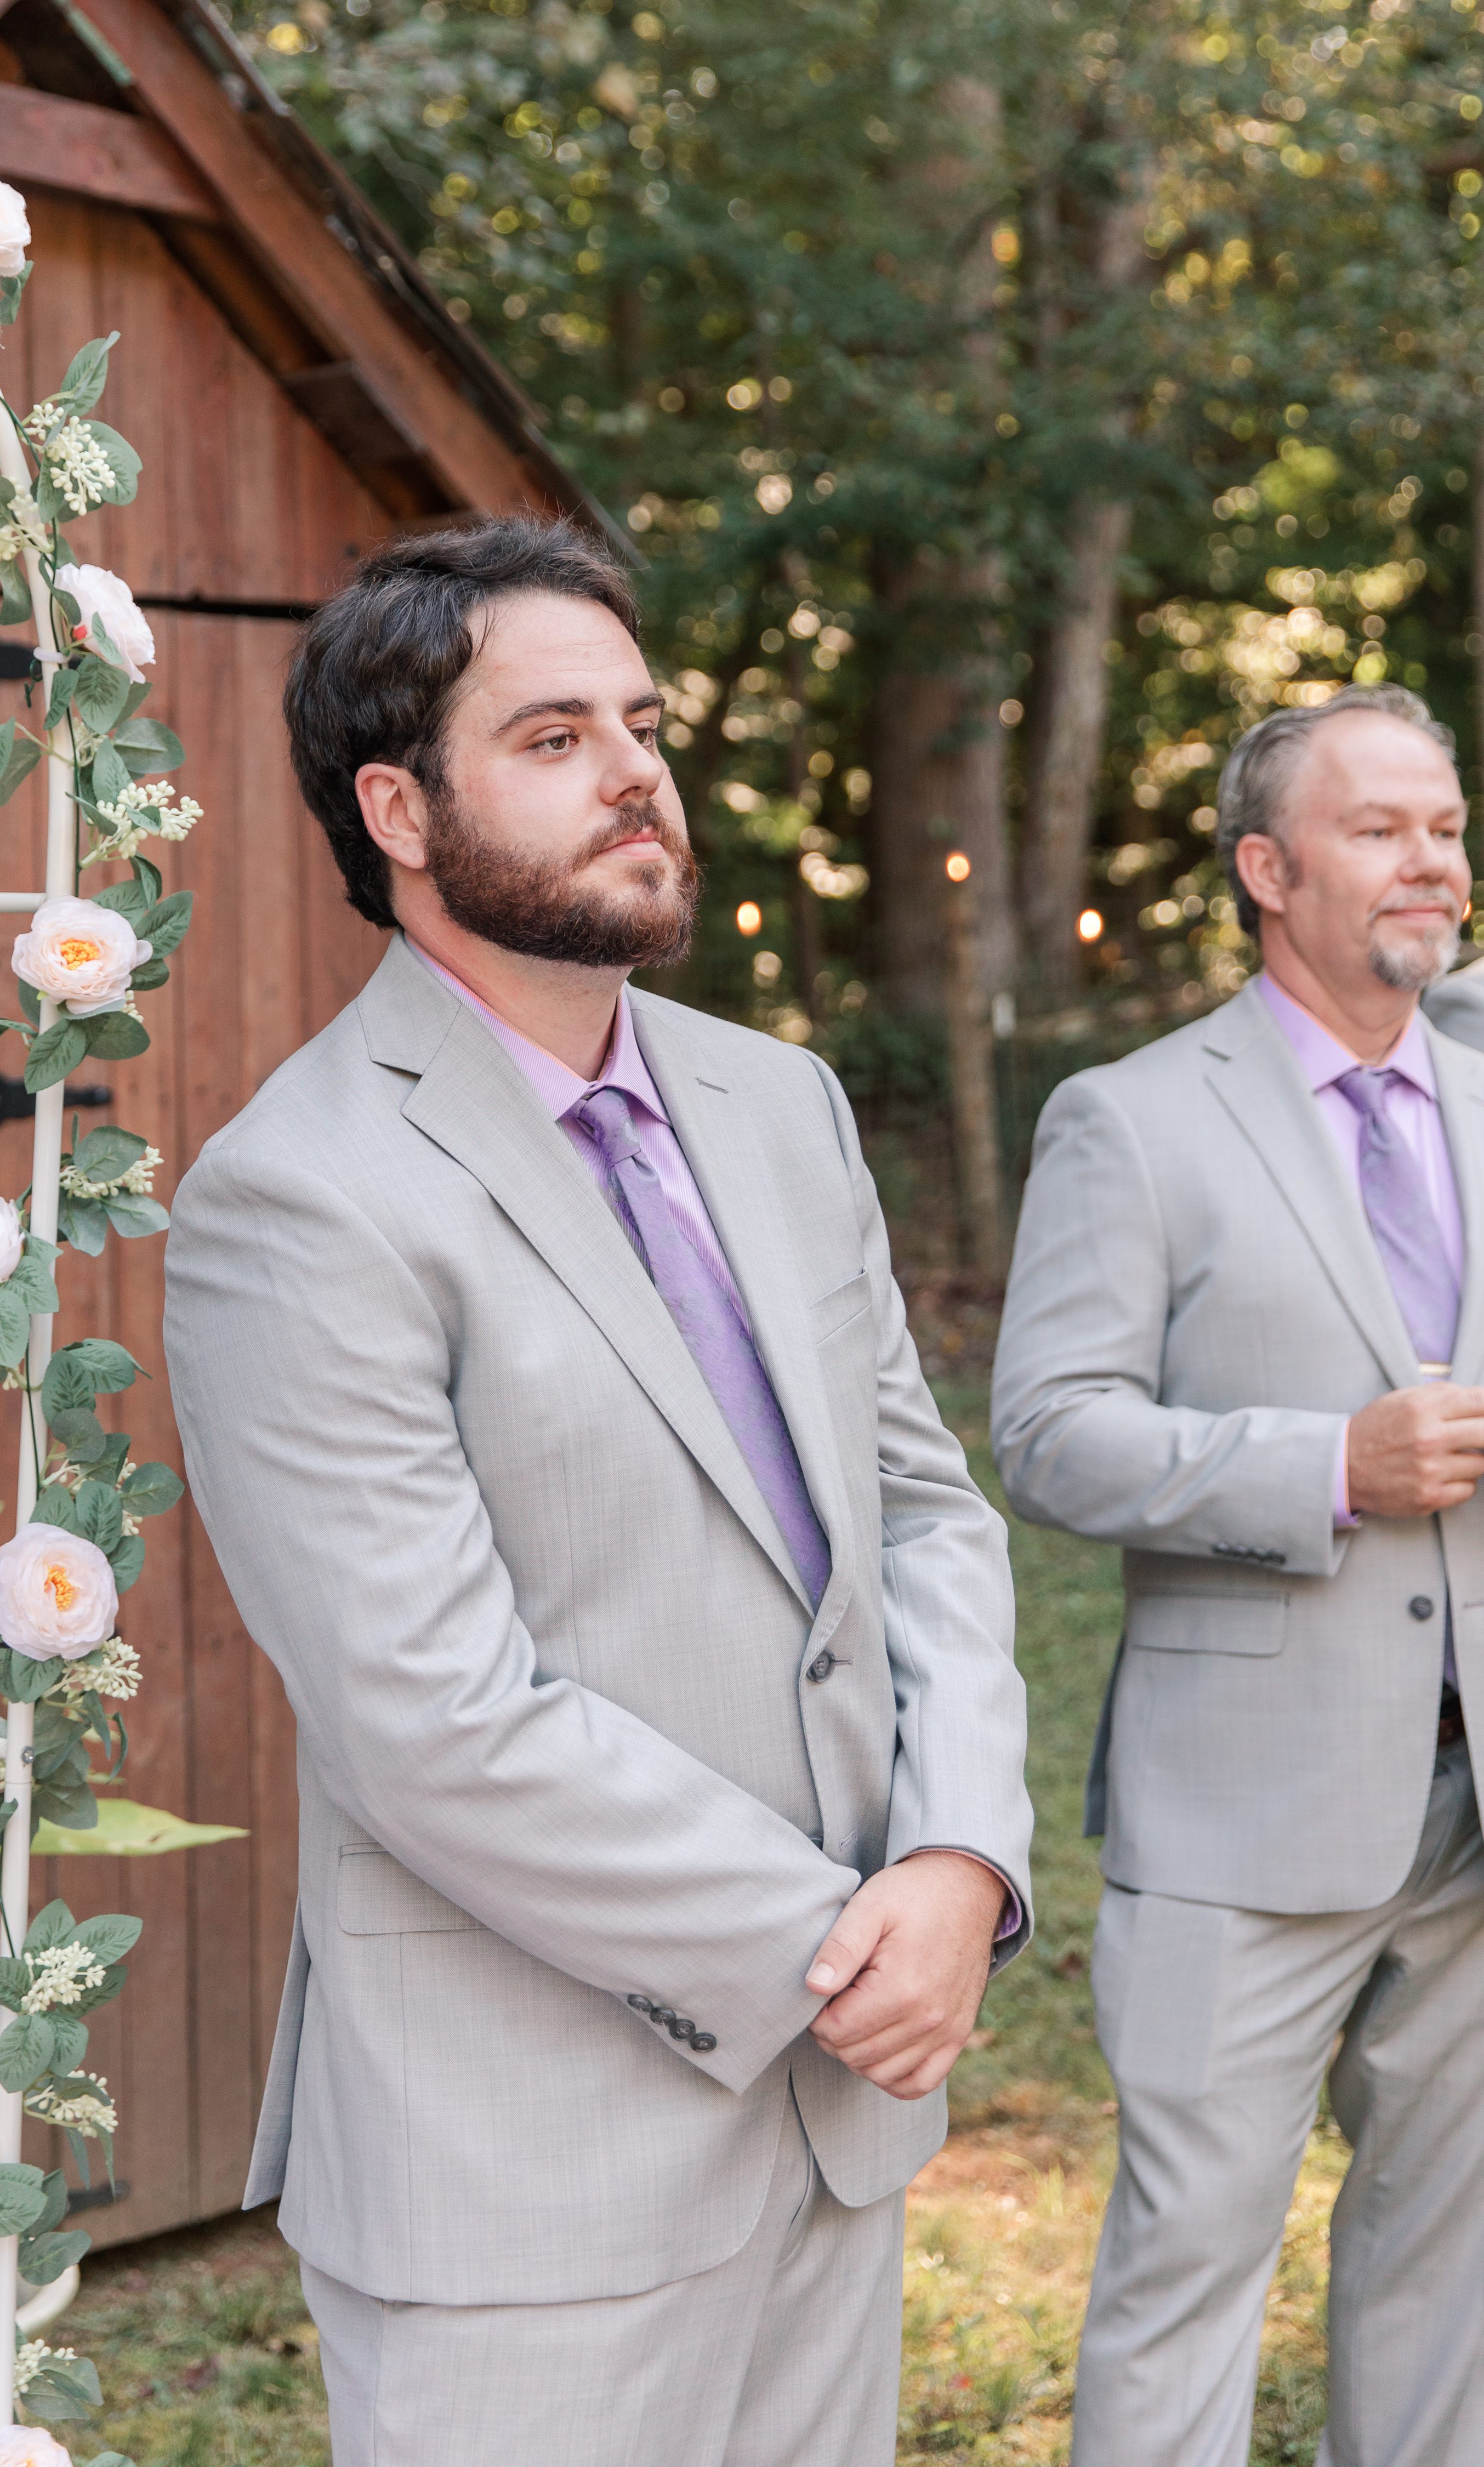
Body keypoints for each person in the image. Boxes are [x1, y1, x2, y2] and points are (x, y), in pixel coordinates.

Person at [163, 517, 1032, 2467]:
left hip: (839, 2132)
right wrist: (846, 1945)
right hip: (522, 2169)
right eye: (553, 737)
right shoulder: (299, 1197)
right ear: (398, 806)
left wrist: (966, 1864)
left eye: (640, 721)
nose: (639, 771)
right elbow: (430, 1721)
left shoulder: (778, 1104)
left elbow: (926, 1518)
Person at [992, 681, 1484, 2467]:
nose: (1430, 859)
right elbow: (1047, 1432)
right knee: (1189, 2275)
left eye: (1442, 824)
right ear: (1269, 869)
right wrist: (1322, 1465)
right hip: (1245, 1814)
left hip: (1475, 1812)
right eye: (1381, 829)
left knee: (1451, 2277)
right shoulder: (1132, 1119)